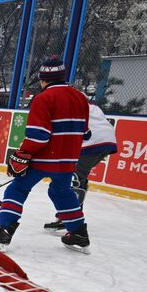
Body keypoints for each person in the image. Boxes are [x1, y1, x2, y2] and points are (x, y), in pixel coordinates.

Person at [0, 56, 92, 252]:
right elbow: (86, 133)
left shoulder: (44, 98)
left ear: (44, 79)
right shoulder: (81, 98)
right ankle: (78, 233)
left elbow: (39, 135)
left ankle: (4, 232)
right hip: (68, 161)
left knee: (17, 189)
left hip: (44, 158)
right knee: (60, 192)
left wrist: (21, 154)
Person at [43, 91, 117, 233]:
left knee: (72, 179)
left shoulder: (66, 103)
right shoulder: (86, 102)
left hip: (92, 141)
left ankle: (69, 221)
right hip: (106, 140)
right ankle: (70, 218)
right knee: (77, 178)